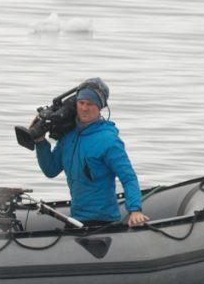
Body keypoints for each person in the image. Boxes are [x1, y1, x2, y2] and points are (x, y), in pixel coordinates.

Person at [34, 80, 149, 228]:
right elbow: (51, 170)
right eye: (81, 103)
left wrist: (135, 210)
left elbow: (128, 177)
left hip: (104, 221)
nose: (84, 108)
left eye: (90, 104)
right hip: (76, 219)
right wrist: (40, 142)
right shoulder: (69, 136)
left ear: (100, 107)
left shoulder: (109, 140)